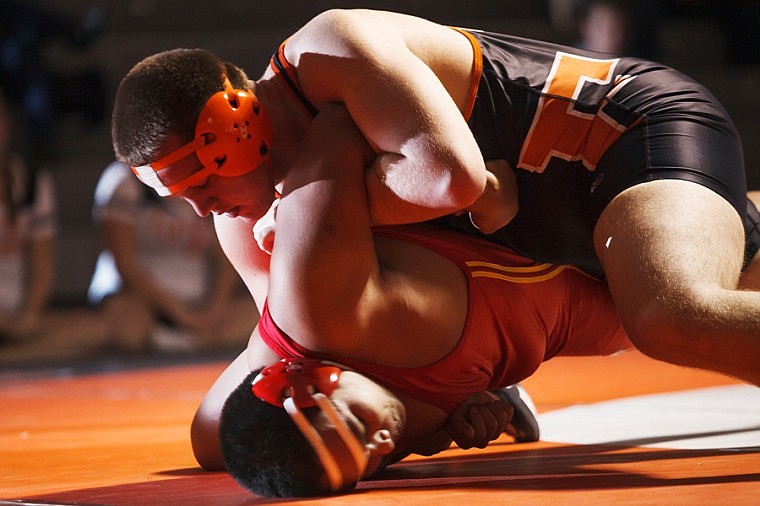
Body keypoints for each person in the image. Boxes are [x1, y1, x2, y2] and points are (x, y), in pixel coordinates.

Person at [111, 9, 760, 387]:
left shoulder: (328, 50)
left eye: (203, 182)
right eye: (180, 197)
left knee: (673, 317)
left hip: (616, 132)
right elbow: (301, 347)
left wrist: (307, 210)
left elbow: (452, 180)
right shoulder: (246, 221)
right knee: (702, 291)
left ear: (234, 122)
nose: (202, 210)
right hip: (559, 225)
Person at [209, 102, 631, 497]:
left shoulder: (317, 304)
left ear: (306, 377)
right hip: (482, 317)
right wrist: (443, 419)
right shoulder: (334, 427)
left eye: (357, 427)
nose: (382, 441)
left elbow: (339, 119)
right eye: (370, 460)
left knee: (653, 322)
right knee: (212, 442)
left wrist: (300, 211)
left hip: (506, 222)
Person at [87, 160, 257, 353]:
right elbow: (123, 265)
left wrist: (216, 307)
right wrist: (180, 314)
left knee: (260, 318)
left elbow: (227, 256)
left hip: (199, 303)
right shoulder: (123, 180)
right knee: (126, 327)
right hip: (142, 303)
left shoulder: (208, 177)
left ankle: (192, 342)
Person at [0, 88, 57, 343]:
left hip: (15, 316)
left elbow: (42, 267)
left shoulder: (31, 179)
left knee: (105, 327)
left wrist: (29, 315)